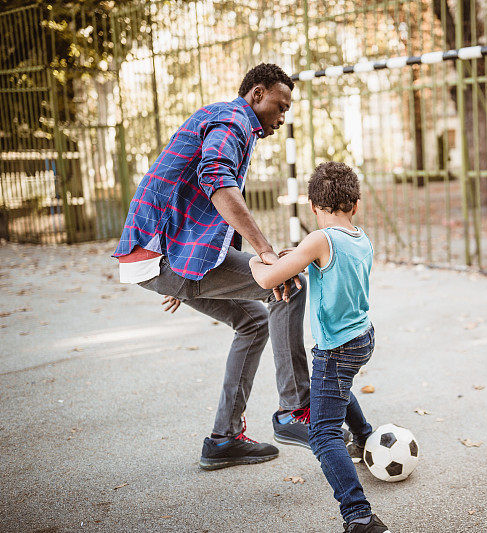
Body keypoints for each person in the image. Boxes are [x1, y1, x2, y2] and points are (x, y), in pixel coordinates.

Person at [112, 63, 315, 470]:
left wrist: (177, 272)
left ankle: (224, 439)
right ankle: (295, 411)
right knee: (287, 284)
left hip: (160, 256)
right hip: (162, 253)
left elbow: (197, 195)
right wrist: (265, 251)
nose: (283, 116)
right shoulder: (232, 120)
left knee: (254, 321)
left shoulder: (226, 121)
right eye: (280, 105)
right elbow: (217, 181)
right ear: (257, 94)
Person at [250, 162, 390, 533]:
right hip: (364, 338)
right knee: (335, 387)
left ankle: (358, 515)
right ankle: (364, 437)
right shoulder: (360, 237)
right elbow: (320, 261)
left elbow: (266, 277)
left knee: (323, 433)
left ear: (313, 207)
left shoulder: (319, 240)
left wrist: (253, 259)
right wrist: (295, 254)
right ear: (355, 205)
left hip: (337, 348)